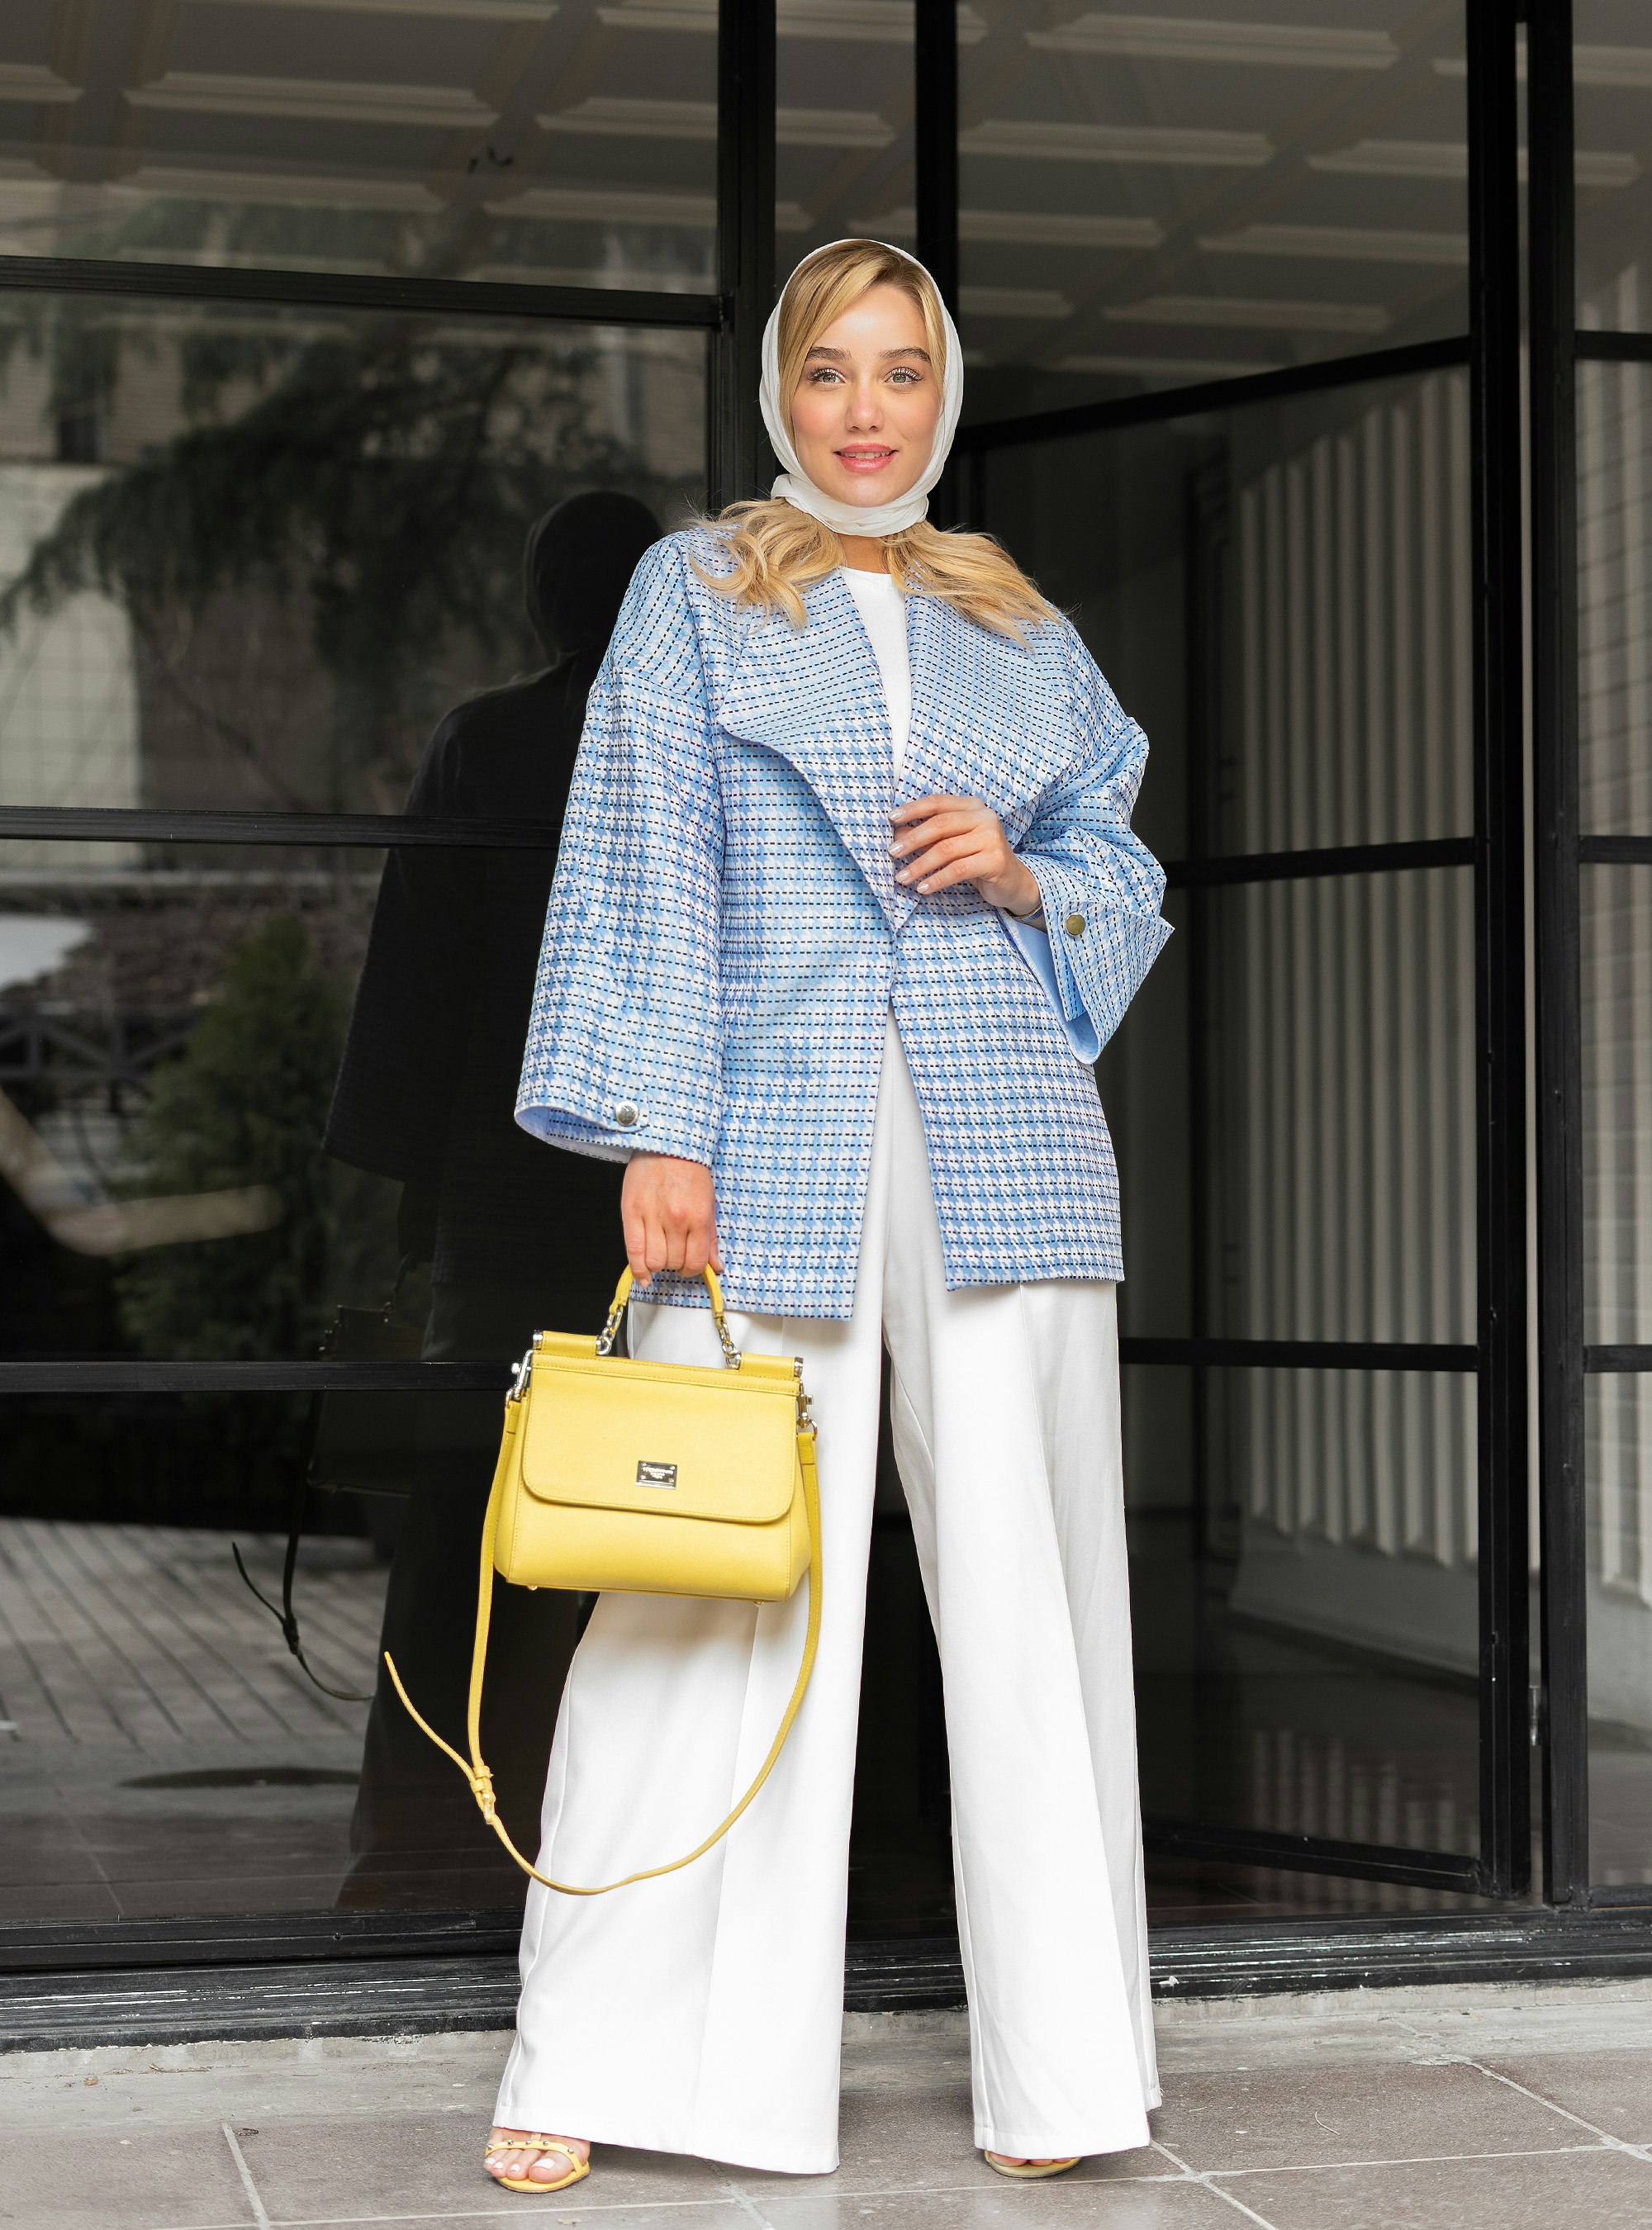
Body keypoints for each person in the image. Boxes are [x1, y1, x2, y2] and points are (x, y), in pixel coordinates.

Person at [484, 240, 1172, 2189]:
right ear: (777, 395)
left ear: (943, 392)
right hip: (771, 1130)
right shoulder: (696, 591)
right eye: (825, 373)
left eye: (897, 372)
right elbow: (638, 856)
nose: (864, 411)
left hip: (1006, 1141)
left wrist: (1028, 879)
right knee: (707, 1600)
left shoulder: (1019, 624)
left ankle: (1065, 2078)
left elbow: (1117, 859)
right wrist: (652, 1127)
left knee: (1037, 1615)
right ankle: (597, 2062)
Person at [324, 492, 660, 1905]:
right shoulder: (682, 738)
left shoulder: (488, 740)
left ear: (543, 607)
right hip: (661, 1183)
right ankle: (622, 1832)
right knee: (662, 1513)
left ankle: (423, 1824)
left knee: (471, 1519)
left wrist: (400, 1205)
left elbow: (417, 980)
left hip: (498, 1183)